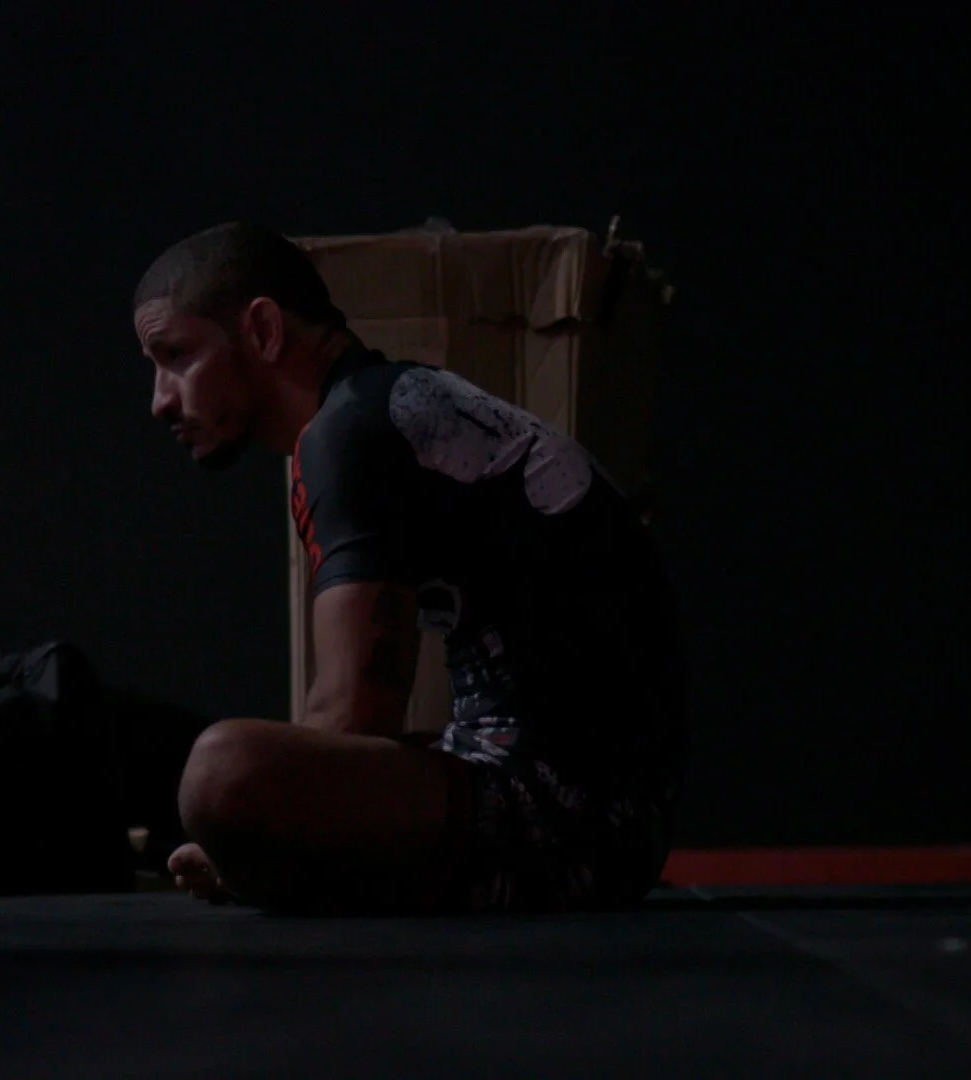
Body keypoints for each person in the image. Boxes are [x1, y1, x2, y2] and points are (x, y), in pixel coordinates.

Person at [135, 222, 689, 913]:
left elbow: (352, 719)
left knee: (223, 772)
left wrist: (257, 831)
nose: (160, 399)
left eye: (175, 355)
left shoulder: (348, 435)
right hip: (599, 813)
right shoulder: (380, 407)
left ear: (264, 331)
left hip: (573, 828)